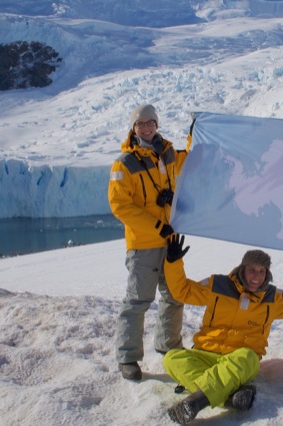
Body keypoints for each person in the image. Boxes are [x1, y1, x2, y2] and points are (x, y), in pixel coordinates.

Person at [161, 234, 283, 424]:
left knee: (246, 357)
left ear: (267, 274)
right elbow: (183, 291)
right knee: (171, 358)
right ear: (242, 269)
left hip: (239, 362)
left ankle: (195, 402)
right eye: (252, 270)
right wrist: (173, 262)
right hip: (203, 355)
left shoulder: (273, 299)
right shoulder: (218, 285)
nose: (257, 276)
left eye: (262, 271)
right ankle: (228, 397)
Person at [108, 104, 189, 381]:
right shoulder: (124, 163)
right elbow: (120, 205)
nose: (146, 127)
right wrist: (156, 225)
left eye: (150, 122)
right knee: (138, 300)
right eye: (140, 123)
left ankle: (169, 346)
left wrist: (195, 134)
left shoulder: (167, 152)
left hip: (170, 241)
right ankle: (127, 357)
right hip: (143, 244)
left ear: (156, 125)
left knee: (175, 294)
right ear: (133, 128)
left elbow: (188, 160)